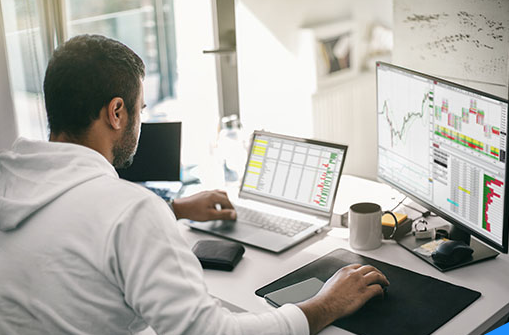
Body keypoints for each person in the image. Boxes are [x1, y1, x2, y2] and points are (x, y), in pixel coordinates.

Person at [0, 34, 389, 335]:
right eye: (140, 109)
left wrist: (176, 209)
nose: (141, 120)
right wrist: (325, 304)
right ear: (116, 112)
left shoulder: (11, 179)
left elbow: (74, 219)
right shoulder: (129, 211)